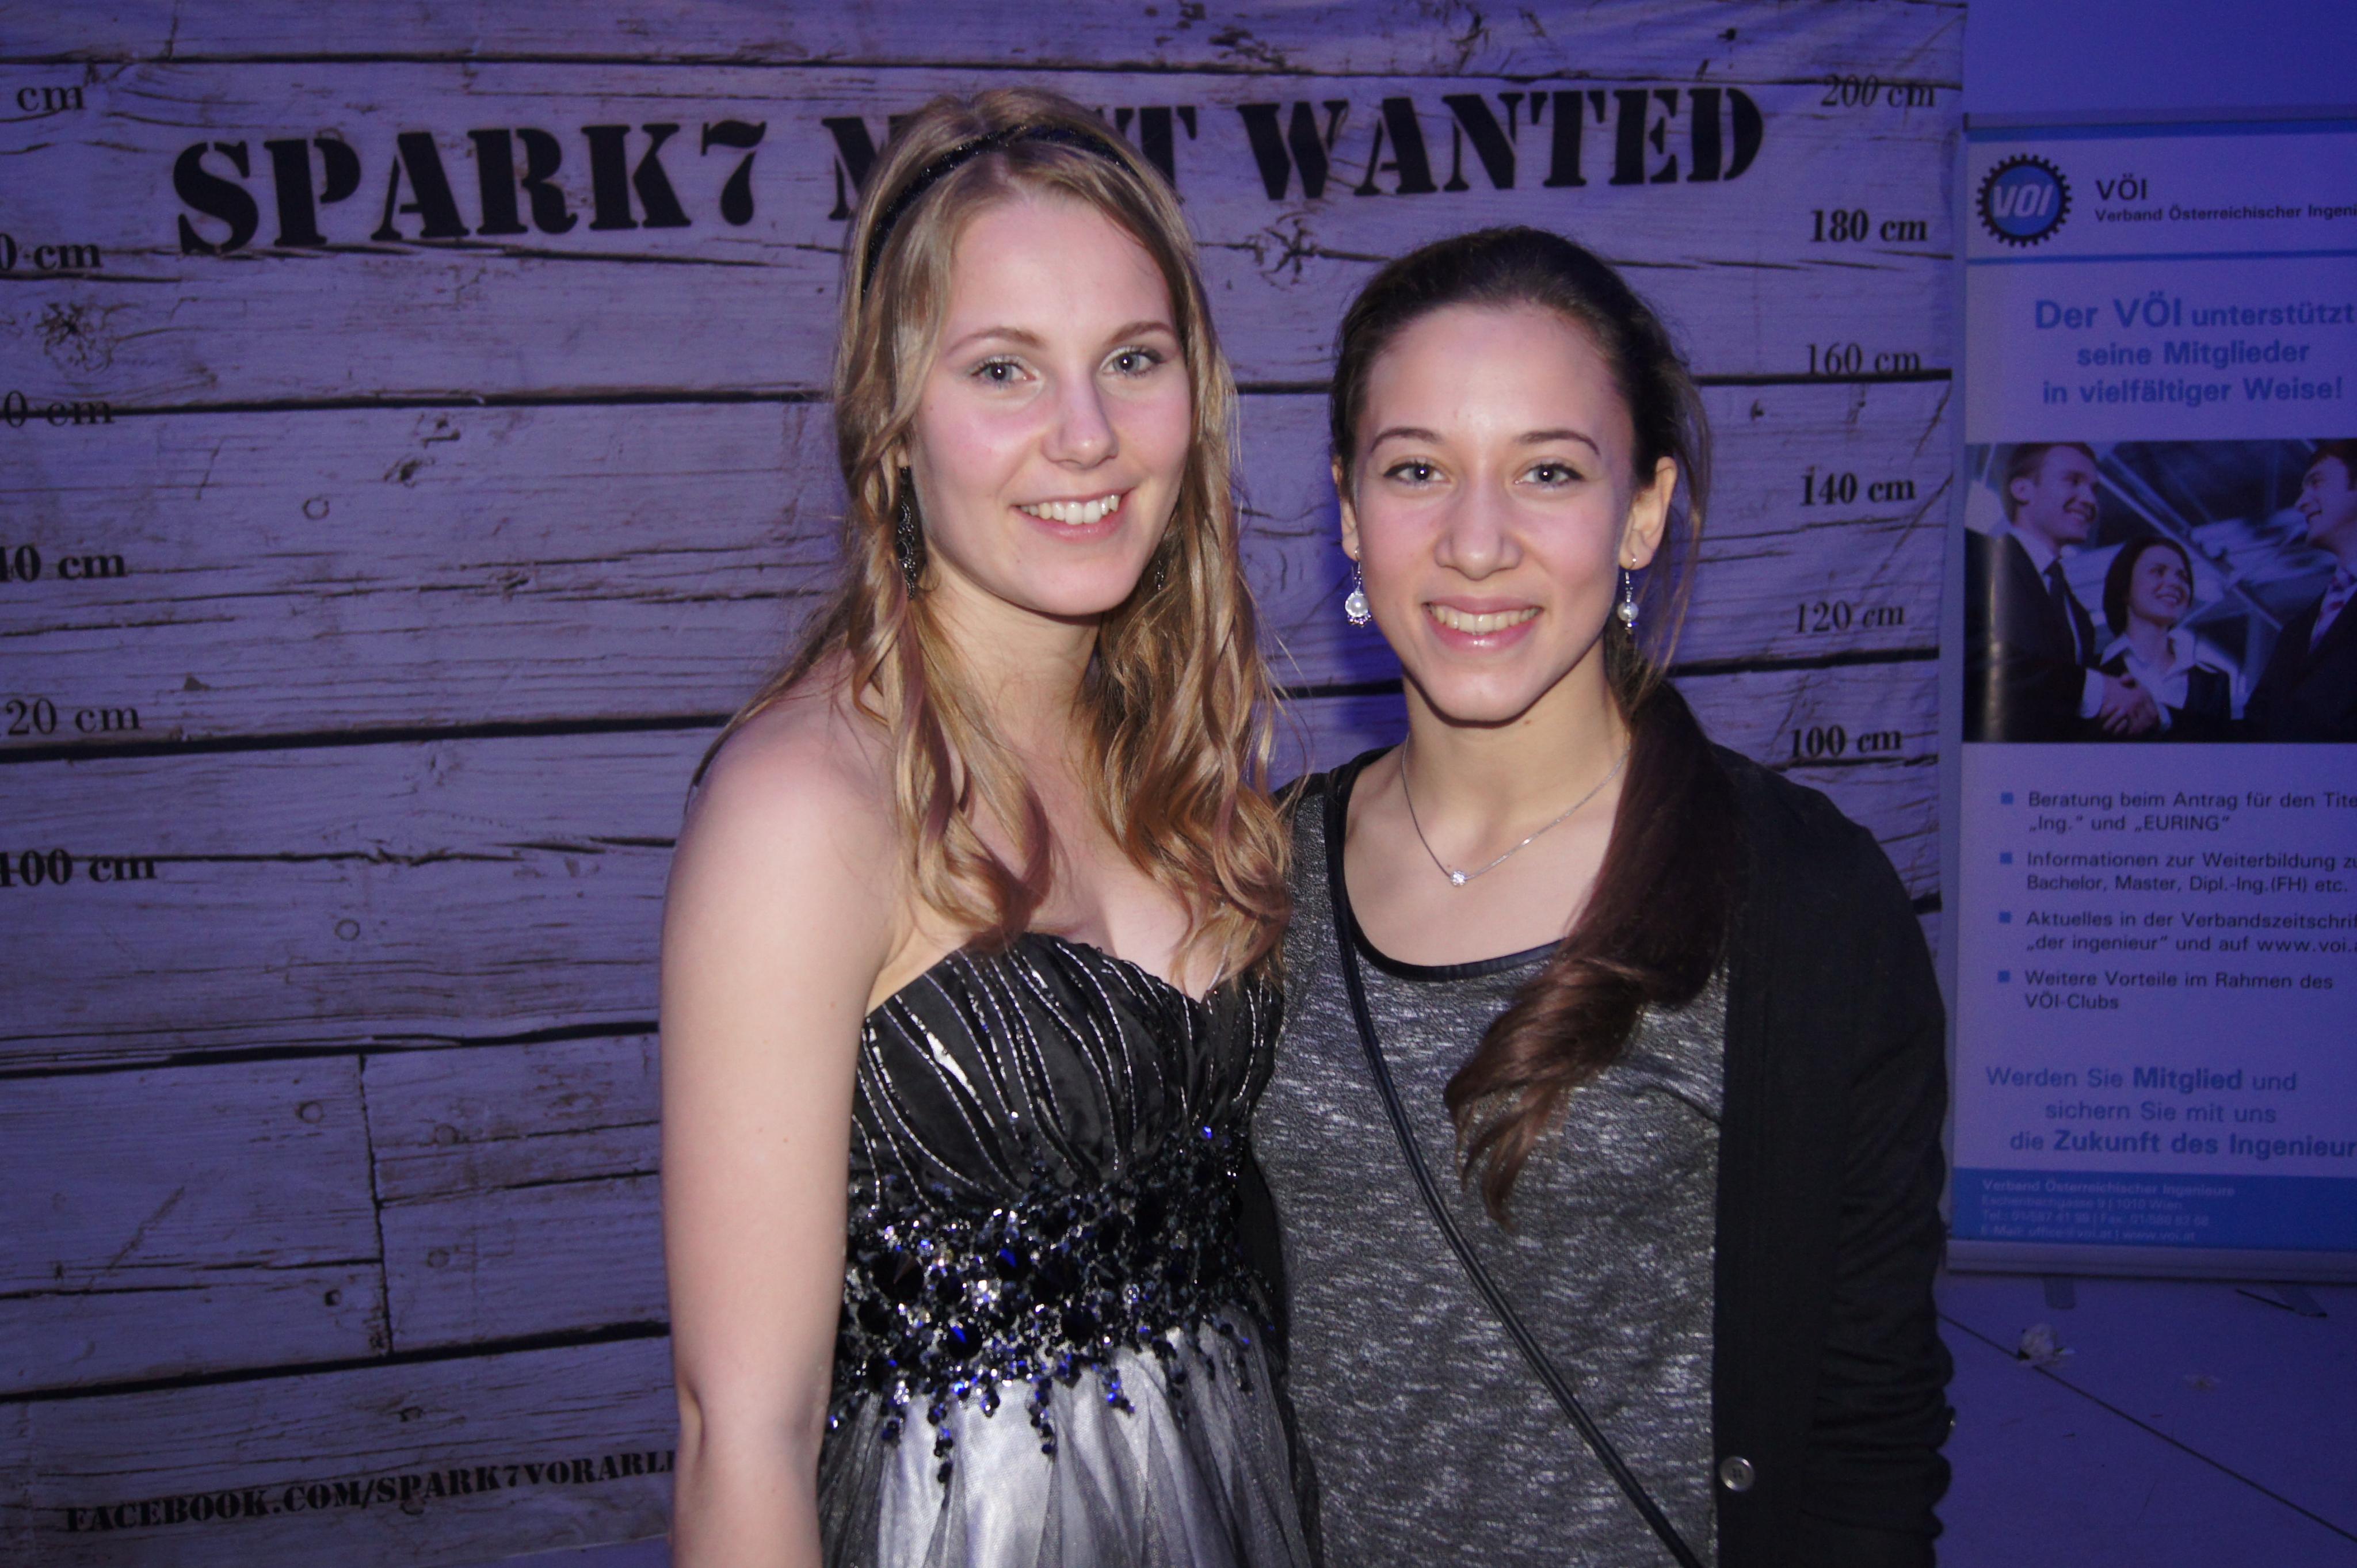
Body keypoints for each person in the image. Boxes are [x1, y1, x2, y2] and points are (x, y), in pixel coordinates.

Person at [660, 89, 1310, 1568]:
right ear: (893, 423)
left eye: (1132, 360)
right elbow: (737, 1434)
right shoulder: (803, 808)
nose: (1086, 436)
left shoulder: (1174, 752)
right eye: (1003, 369)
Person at [1248, 228, 1952, 1568]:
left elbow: (1865, 1424)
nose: (1474, 542)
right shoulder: (1250, 881)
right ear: (1346, 508)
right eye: (1416, 470)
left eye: (1549, 471)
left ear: (1642, 509)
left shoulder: (1799, 903)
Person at [1963, 441, 2159, 741]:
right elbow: (1966, 654)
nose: (2090, 500)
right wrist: (2096, 689)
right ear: (2022, 490)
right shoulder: (1972, 553)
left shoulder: (2079, 615)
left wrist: (2125, 709)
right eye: (2073, 481)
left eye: (2094, 490)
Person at [2246, 440, 2357, 742]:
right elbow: (2255, 728)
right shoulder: (2295, 633)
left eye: (2316, 482)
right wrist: (2162, 715)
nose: (2300, 503)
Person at [2095, 535, 2240, 742]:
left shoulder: (2214, 682)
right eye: (2158, 571)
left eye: (2183, 576)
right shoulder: (2090, 671)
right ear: (2124, 588)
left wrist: (2161, 718)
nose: (2175, 583)